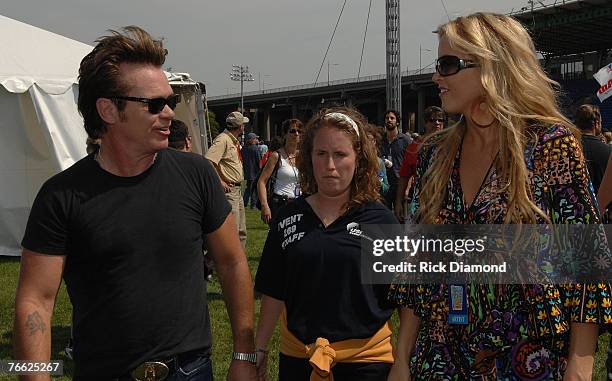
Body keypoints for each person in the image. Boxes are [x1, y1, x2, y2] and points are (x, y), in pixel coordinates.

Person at [13, 26, 256, 381]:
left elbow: (233, 263)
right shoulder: (60, 197)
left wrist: (244, 354)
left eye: (170, 101)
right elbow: (34, 302)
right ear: (108, 110)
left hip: (190, 371)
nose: (170, 113)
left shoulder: (196, 174)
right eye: (154, 104)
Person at [388, 13, 611, 380]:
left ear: (493, 65)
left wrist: (580, 364)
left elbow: (586, 261)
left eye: (447, 65)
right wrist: (401, 360)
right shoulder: (433, 154)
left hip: (525, 355)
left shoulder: (550, 146)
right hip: (441, 353)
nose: (435, 77)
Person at [254, 107, 398, 381]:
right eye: (321, 154)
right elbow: (274, 290)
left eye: (340, 154)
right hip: (299, 359)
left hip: (366, 364)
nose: (330, 165)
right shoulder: (288, 218)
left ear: (359, 159)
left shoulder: (381, 220)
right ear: (308, 158)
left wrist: (402, 360)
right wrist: (259, 348)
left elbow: (406, 299)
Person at [206, 111, 248, 248]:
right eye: (243, 124)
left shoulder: (231, 140)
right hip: (230, 191)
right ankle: (213, 263)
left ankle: (238, 262)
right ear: (240, 126)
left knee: (241, 231)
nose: (244, 127)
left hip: (236, 190)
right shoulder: (223, 139)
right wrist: (220, 181)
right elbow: (209, 161)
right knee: (232, 230)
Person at [394, 106, 445, 222]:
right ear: (425, 123)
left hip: (445, 201)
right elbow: (404, 176)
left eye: (440, 120)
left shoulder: (450, 145)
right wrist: (398, 202)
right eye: (432, 120)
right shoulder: (414, 147)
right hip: (420, 204)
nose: (437, 123)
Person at [257, 119, 302, 224]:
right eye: (292, 131)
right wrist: (265, 205)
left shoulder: (303, 157)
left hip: (299, 204)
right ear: (285, 134)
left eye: (299, 131)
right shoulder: (276, 156)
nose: (296, 134)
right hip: (280, 204)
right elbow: (261, 182)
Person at [575, 104, 611, 193]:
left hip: (578, 202)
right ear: (597, 123)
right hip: (602, 203)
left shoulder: (570, 148)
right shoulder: (608, 151)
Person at [380, 109, 411, 209]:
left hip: (400, 184)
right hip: (385, 183)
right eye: (387, 118)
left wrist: (407, 189)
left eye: (392, 118)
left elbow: (411, 166)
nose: (389, 120)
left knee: (400, 217)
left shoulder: (406, 141)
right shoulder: (380, 140)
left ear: (397, 122)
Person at [365, 124, 390, 198]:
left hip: (375, 199)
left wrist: (378, 182)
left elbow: (386, 188)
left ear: (374, 142)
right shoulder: (357, 160)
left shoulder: (379, 162)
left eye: (370, 140)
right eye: (365, 140)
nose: (368, 143)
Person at [242, 132, 263, 209]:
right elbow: (259, 160)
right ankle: (253, 205)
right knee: (253, 189)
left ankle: (245, 202)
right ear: (252, 139)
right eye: (255, 138)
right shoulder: (255, 148)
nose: (257, 139)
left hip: (247, 171)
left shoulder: (244, 148)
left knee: (248, 188)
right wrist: (261, 170)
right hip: (255, 171)